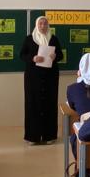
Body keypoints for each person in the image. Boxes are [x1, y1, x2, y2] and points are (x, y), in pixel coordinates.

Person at [19, 16, 63, 144]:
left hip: (50, 77)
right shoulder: (29, 39)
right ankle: (32, 137)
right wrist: (33, 58)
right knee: (32, 104)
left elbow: (60, 55)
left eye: (45, 23)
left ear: (48, 25)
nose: (43, 26)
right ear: (36, 25)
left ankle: (49, 136)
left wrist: (55, 56)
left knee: (50, 104)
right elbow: (22, 55)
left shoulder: (53, 39)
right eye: (40, 24)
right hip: (33, 77)